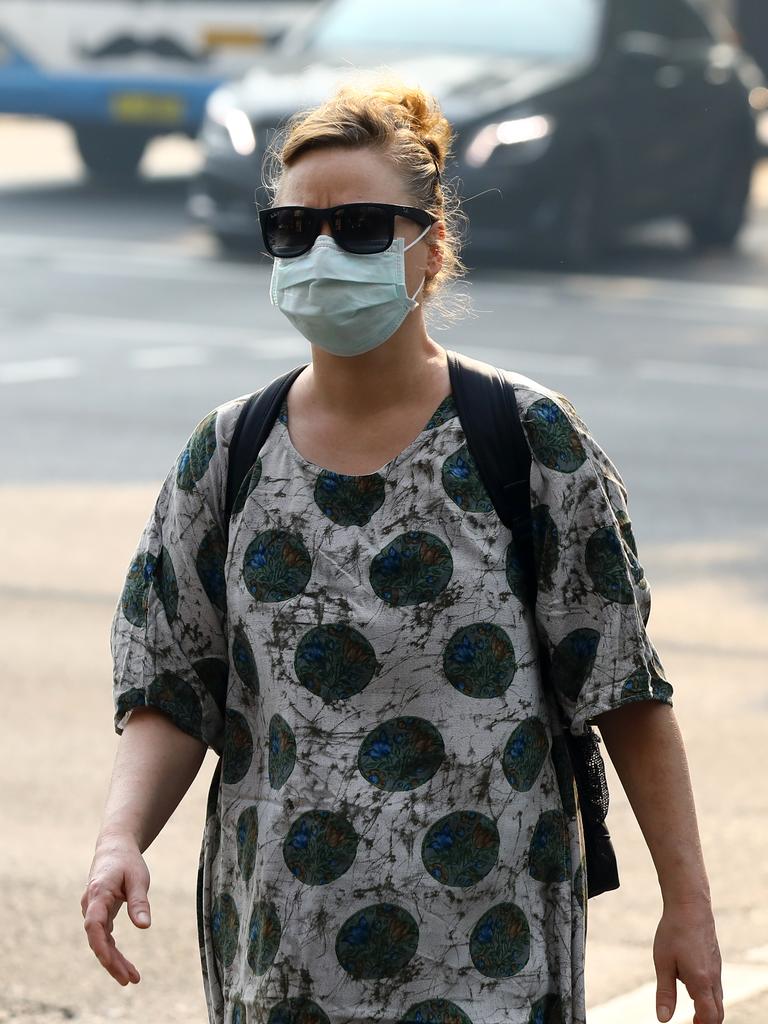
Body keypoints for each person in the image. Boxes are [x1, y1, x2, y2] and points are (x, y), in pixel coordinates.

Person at [82, 76, 724, 1024]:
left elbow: (622, 685)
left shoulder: (527, 436)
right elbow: (173, 685)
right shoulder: (227, 453)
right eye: (294, 232)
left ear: (431, 249)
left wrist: (689, 903)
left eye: (364, 227)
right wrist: (119, 839)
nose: (324, 253)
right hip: (282, 954)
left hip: (493, 954)